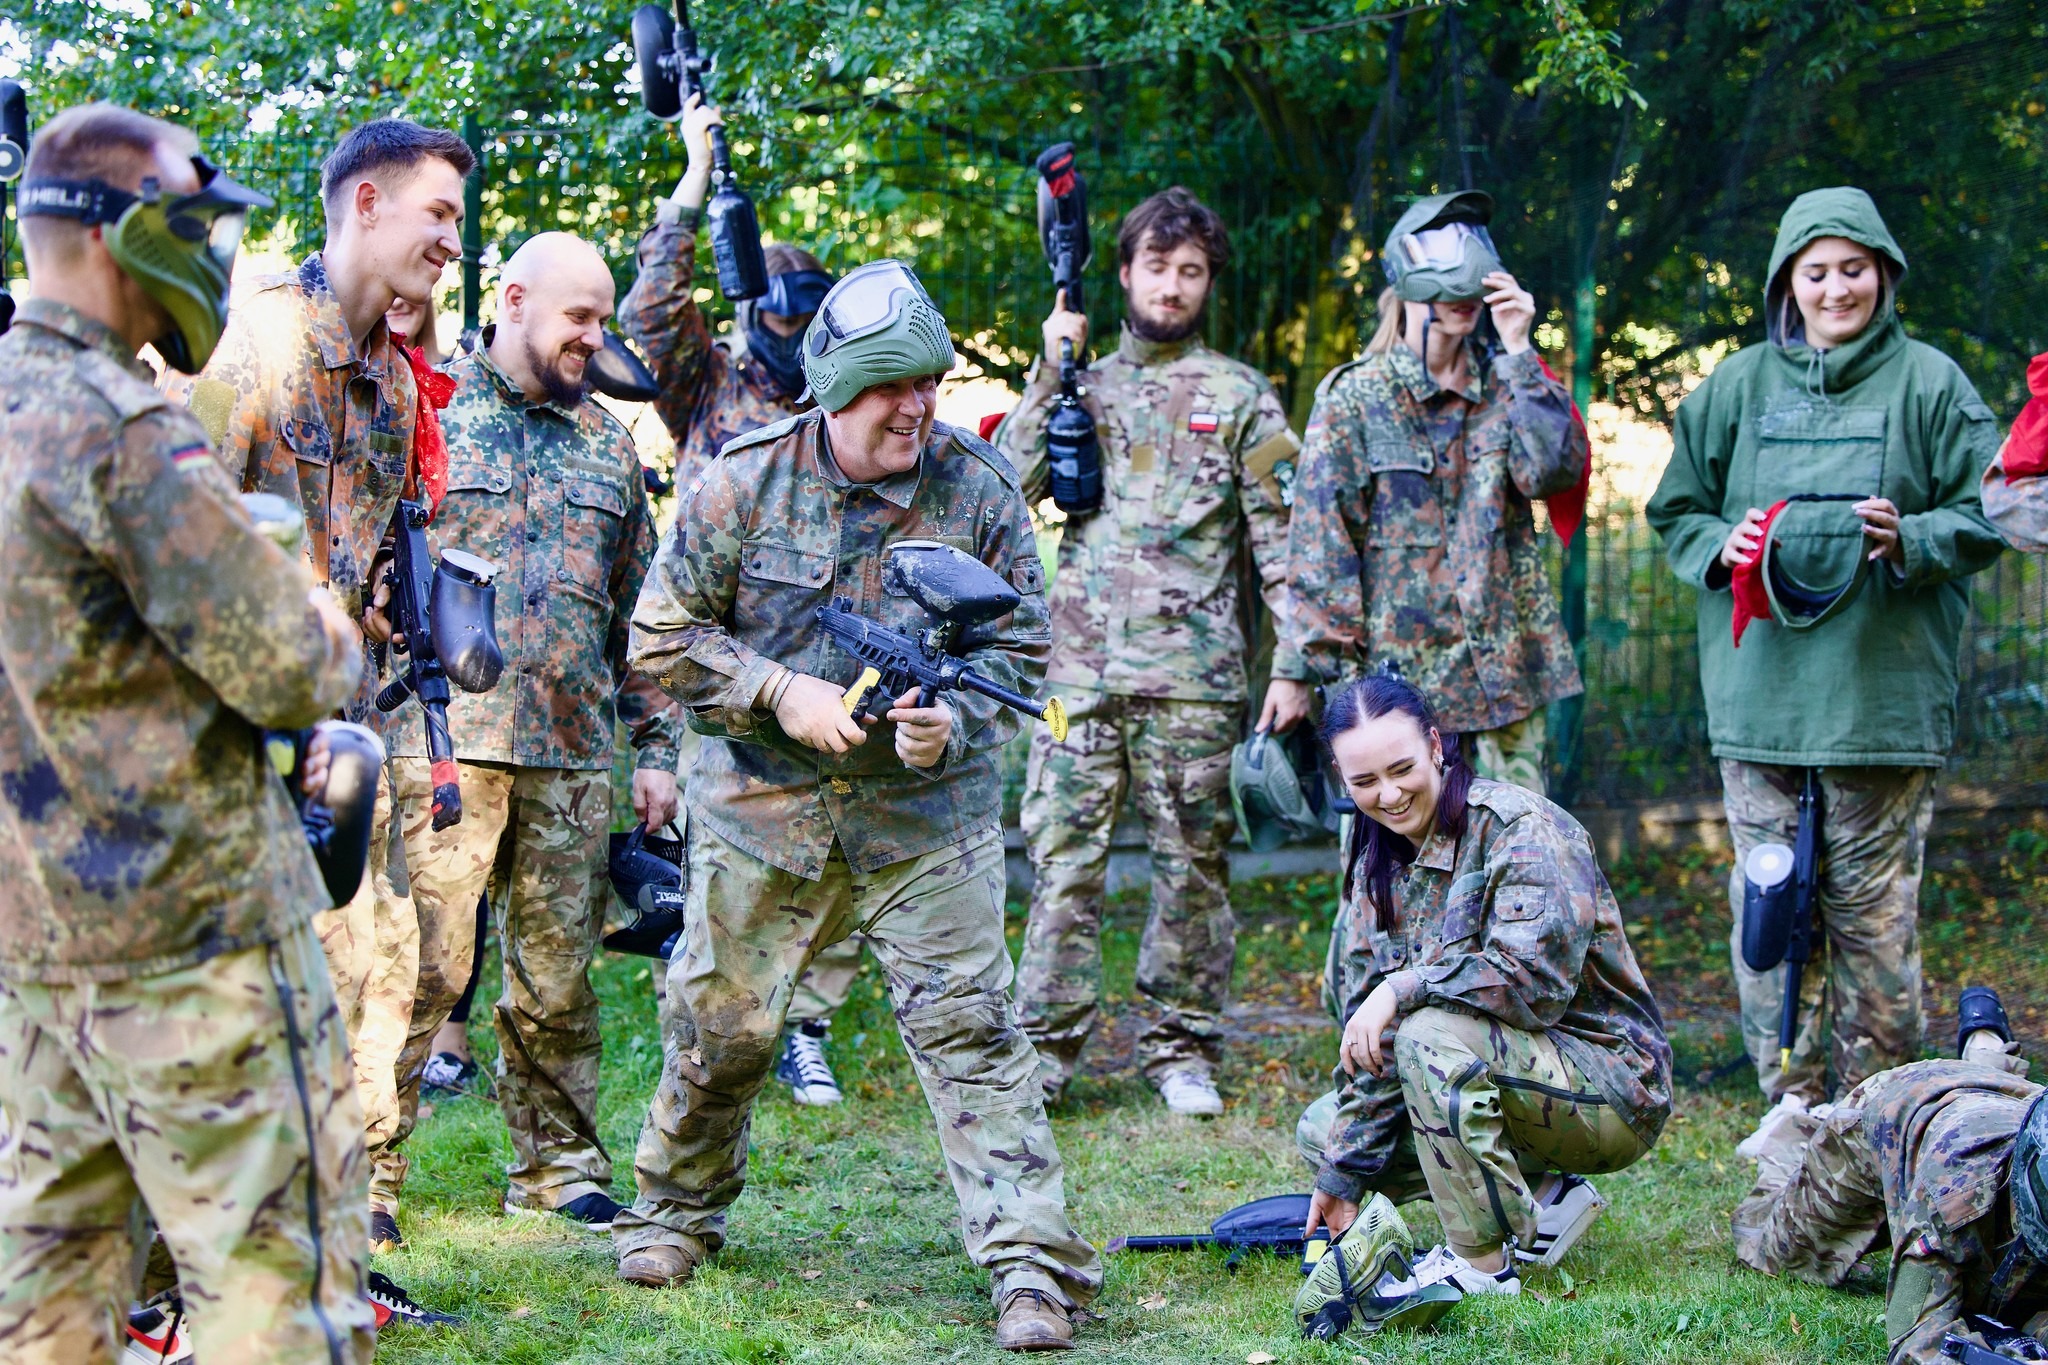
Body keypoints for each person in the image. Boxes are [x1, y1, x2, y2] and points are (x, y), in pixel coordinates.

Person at [611, 259, 1102, 1350]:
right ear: (833, 393)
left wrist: (950, 729)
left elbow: (1022, 649)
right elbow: (659, 634)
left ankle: (1030, 1267)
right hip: (758, 808)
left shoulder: (978, 490)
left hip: (926, 821)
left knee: (972, 1033)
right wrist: (778, 691)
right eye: (888, 389)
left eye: (925, 382)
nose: (914, 406)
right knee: (719, 1030)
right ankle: (673, 1212)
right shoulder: (742, 482)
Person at [0, 102, 374, 1361]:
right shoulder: (119, 427)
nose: (209, 251)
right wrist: (326, 616)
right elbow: (291, 667)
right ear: (127, 233)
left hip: (32, 957)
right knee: (276, 1299)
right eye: (194, 221)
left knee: (44, 1308)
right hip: (195, 952)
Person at [164, 117, 473, 1320]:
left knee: (371, 999)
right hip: (231, 750)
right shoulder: (250, 349)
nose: (450, 241)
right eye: (435, 215)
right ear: (363, 205)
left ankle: (322, 1270)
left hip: (342, 743)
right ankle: (171, 1291)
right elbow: (168, 546)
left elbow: (364, 567)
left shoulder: (393, 385)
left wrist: (404, 614)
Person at [1645, 187, 2005, 1154]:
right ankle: (1791, 1104)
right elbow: (1676, 509)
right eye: (1817, 271)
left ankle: (1884, 1110)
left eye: (1855, 267)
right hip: (1760, 698)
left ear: (1885, 274)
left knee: (1872, 917)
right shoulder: (1737, 384)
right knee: (1767, 906)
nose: (1837, 286)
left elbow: (1994, 509)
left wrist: (1914, 535)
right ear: (1785, 285)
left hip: (1877, 701)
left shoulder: (1930, 384)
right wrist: (1727, 545)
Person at [375, 232, 680, 1233]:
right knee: (422, 970)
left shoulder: (607, 445)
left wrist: (661, 756)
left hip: (573, 752)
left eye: (602, 319)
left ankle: (557, 1173)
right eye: (578, 319)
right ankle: (364, 1182)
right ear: (511, 301)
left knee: (554, 982)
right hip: (447, 748)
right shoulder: (427, 412)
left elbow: (642, 618)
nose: (595, 339)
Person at [997, 186, 1296, 1117]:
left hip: (1196, 683)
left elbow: (1285, 542)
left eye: (1192, 272)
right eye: (1158, 267)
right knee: (1061, 864)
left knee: (1192, 868)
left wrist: (1295, 664)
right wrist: (1050, 373)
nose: (1173, 286)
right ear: (1124, 272)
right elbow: (1006, 487)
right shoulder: (1082, 383)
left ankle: (1181, 1049)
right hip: (1075, 679)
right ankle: (1042, 1053)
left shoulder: (1241, 396)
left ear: (1208, 283)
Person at [620, 92, 856, 1107]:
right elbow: (644, 321)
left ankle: (807, 1026)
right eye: (777, 308)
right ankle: (712, 1034)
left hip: (825, 657)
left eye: (808, 314)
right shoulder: (710, 386)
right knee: (720, 857)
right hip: (717, 663)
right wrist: (692, 186)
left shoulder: (836, 396)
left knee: (832, 851)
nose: (788, 327)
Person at [1295, 672, 1670, 1294]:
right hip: (1505, 1078)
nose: (1388, 795)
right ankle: (1546, 1196)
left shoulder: (1521, 828)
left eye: (1401, 768)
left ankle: (1482, 1265)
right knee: (1326, 1130)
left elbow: (1533, 985)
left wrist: (1401, 989)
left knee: (1424, 1033)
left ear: (1437, 748)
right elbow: (1371, 1043)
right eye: (1364, 781)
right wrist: (1340, 1180)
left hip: (1606, 1087)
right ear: (1343, 781)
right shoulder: (1375, 867)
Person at [1260, 189, 1587, 796]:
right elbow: (1319, 553)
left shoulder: (1508, 382)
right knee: (1390, 885)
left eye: (1471, 286)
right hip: (1395, 705)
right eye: (1448, 285)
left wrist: (1519, 350)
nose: (1463, 303)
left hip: (1503, 689)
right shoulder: (1356, 397)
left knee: (1520, 874)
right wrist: (1335, 689)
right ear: (1408, 284)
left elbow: (1553, 474)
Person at [1732, 991, 2044, 1364]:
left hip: (2002, 1101)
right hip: (1889, 1113)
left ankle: (1985, 1050)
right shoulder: (1952, 1198)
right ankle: (1800, 1134)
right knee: (1777, 1250)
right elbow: (1915, 1336)